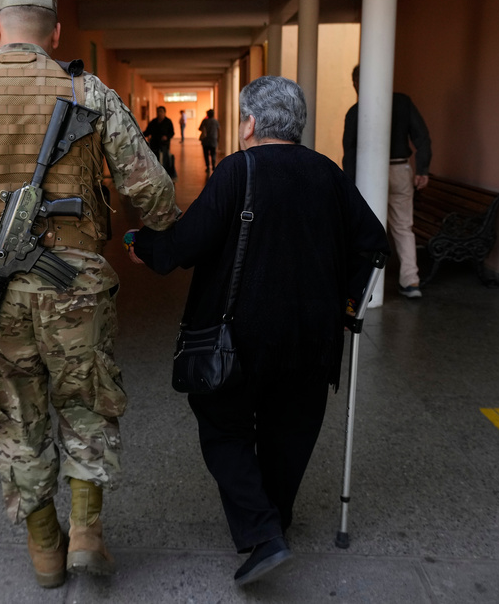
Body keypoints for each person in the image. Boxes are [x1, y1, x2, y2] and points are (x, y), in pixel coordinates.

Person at [0, 0, 180, 589]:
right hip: (75, 284)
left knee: (14, 416)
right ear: (54, 31)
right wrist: (165, 231)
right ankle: (88, 533)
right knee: (85, 403)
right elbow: (150, 187)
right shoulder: (90, 93)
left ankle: (47, 550)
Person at [129, 77, 388, 586]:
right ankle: (275, 521)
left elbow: (188, 244)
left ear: (248, 123)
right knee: (290, 428)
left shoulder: (238, 169)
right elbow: (374, 243)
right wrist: (347, 304)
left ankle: (263, 531)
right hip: (314, 336)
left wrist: (146, 248)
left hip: (240, 336)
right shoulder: (328, 173)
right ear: (297, 125)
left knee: (222, 425)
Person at [342, 64, 432, 298]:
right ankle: (411, 281)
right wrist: (422, 169)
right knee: (404, 227)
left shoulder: (356, 111)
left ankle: (370, 284)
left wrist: (350, 185)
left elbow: (349, 151)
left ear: (357, 84)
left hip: (369, 174)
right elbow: (422, 136)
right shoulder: (403, 102)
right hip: (401, 169)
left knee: (369, 228)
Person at [143, 106, 176, 178]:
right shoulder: (153, 122)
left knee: (165, 160)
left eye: (161, 111)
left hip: (164, 145)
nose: (159, 113)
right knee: (155, 160)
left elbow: (172, 132)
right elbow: (147, 132)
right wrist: (140, 135)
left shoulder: (168, 122)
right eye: (158, 111)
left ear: (164, 112)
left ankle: (166, 175)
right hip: (154, 144)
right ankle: (156, 175)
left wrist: (167, 137)